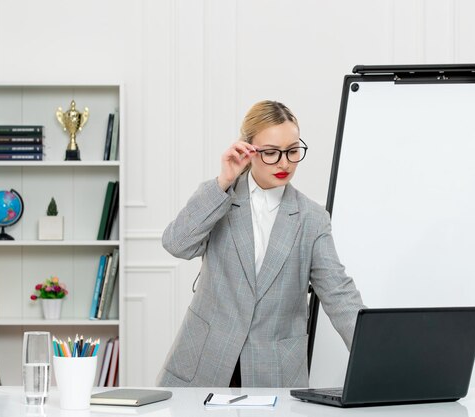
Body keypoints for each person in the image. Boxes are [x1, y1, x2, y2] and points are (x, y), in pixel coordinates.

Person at [156, 100, 365, 388]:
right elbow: (176, 244)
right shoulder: (220, 197)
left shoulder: (312, 218)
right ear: (247, 150)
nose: (284, 163)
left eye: (292, 151)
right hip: (206, 361)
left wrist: (375, 355)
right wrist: (223, 181)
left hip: (274, 369)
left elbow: (338, 292)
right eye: (270, 153)